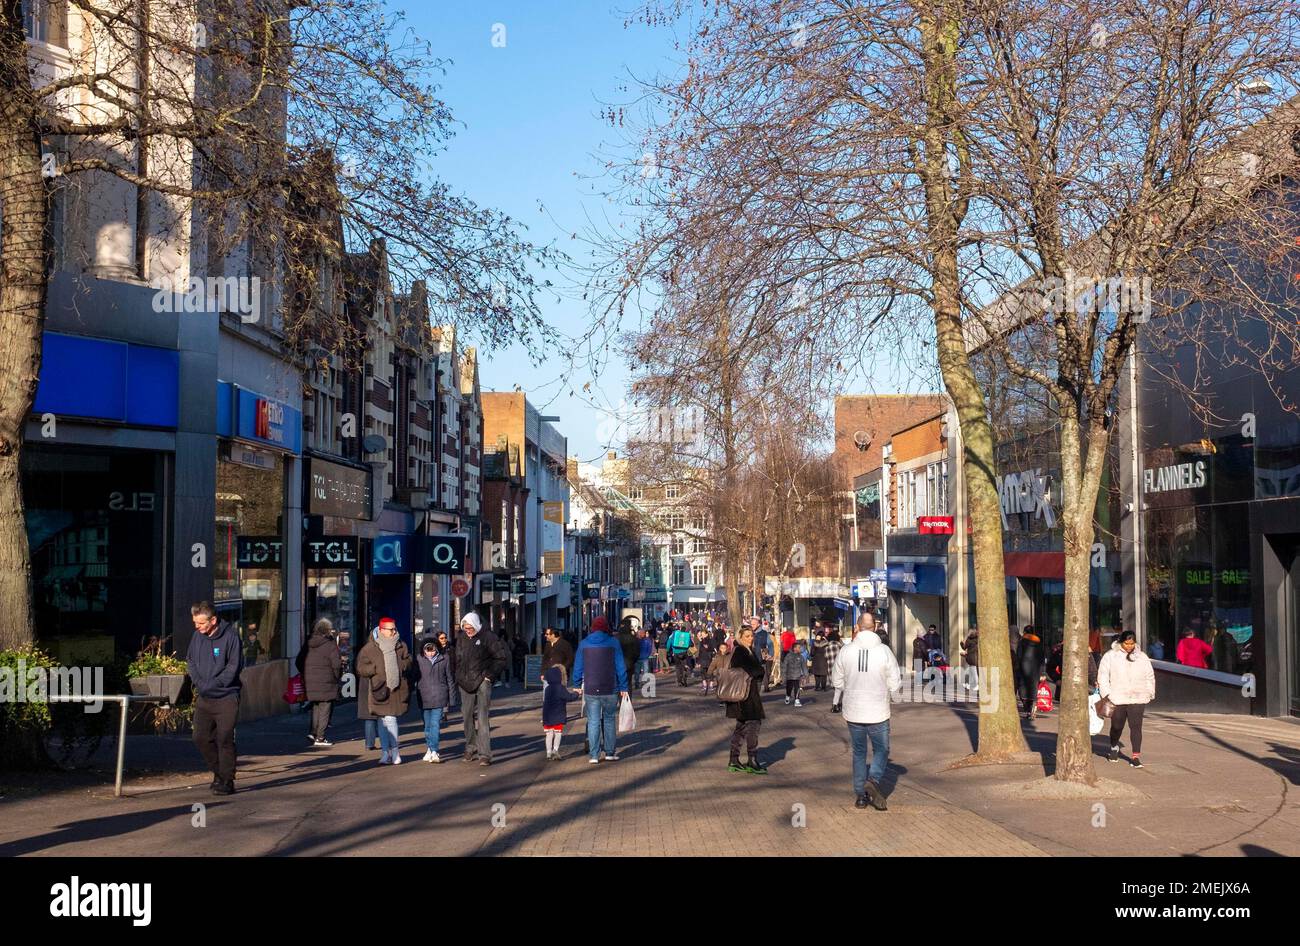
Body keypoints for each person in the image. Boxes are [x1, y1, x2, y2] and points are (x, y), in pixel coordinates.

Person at [832, 612, 902, 811]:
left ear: (857, 626)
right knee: (882, 749)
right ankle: (874, 778)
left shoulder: (846, 651)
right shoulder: (884, 651)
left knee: (859, 753)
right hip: (878, 710)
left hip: (853, 711)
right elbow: (895, 681)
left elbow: (836, 680)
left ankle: (860, 796)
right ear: (874, 627)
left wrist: (847, 689)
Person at [187, 601, 243, 795]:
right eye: (195, 622)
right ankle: (219, 772)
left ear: (213, 620)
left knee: (224, 738)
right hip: (204, 697)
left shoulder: (231, 637)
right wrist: (199, 683)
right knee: (200, 737)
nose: (197, 627)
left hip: (226, 697)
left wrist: (214, 684)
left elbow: (233, 667)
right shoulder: (197, 636)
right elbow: (191, 661)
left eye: (201, 623)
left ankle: (227, 780)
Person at [572, 616, 630, 763]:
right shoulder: (614, 643)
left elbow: (578, 666)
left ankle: (594, 755)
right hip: (611, 687)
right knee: (609, 720)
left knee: (593, 721)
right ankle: (609, 752)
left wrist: (577, 685)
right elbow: (620, 667)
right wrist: (624, 686)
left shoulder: (583, 644)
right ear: (606, 627)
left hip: (591, 688)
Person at [356, 617, 412, 766]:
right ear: (381, 630)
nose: (394, 631)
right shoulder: (369, 648)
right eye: (390, 629)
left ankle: (395, 751)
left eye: (394, 628)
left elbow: (408, 661)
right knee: (382, 721)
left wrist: (402, 665)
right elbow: (360, 668)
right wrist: (373, 670)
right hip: (379, 689)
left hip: (396, 688)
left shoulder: (401, 645)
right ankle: (385, 752)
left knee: (391, 719)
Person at [455, 611, 509, 765]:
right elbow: (457, 659)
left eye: (470, 627)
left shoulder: (488, 637)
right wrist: (458, 676)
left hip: (482, 681)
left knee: (483, 717)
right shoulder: (461, 638)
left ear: (476, 625)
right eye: (465, 628)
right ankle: (470, 747)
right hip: (465, 682)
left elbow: (500, 658)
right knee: (466, 716)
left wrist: (489, 676)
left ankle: (484, 753)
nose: (468, 630)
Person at [1098, 630, 1156, 767]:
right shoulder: (1110, 656)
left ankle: (1136, 757)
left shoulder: (1142, 657)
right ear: (1120, 642)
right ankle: (1113, 746)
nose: (1129, 646)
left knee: (1136, 727)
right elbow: (1103, 675)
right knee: (1117, 726)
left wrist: (1149, 692)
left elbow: (1149, 675)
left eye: (1132, 643)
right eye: (1126, 643)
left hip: (1138, 696)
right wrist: (1107, 694)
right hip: (1117, 696)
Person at [725, 623, 768, 775]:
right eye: (747, 636)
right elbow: (756, 670)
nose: (750, 639)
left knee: (741, 727)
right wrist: (761, 668)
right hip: (746, 696)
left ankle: (734, 759)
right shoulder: (742, 652)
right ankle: (752, 759)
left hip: (743, 696)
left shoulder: (744, 650)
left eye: (751, 636)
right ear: (740, 637)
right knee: (753, 726)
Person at [299, 618, 342, 747]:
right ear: (328, 631)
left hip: (311, 680)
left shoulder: (309, 643)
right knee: (325, 708)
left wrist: (306, 673)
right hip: (326, 680)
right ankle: (320, 737)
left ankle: (313, 732)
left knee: (316, 706)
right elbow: (336, 664)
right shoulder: (330, 644)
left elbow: (299, 660)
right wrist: (336, 677)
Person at [414, 634, 455, 763]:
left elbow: (450, 679)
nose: (430, 653)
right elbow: (413, 677)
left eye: (432, 650)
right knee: (427, 727)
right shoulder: (418, 659)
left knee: (435, 725)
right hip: (424, 697)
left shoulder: (445, 658)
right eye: (427, 650)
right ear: (423, 650)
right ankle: (430, 748)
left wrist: (452, 699)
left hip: (439, 697)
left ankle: (434, 751)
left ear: (437, 648)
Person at [542, 663, 581, 760]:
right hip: (558, 715)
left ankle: (548, 752)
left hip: (547, 716)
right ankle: (555, 750)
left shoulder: (547, 689)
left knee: (549, 734)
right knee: (558, 733)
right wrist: (577, 693)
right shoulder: (560, 688)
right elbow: (568, 697)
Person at [1016, 625, 1045, 719]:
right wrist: (1042, 672)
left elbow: (1019, 656)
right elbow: (1042, 659)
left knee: (1022, 690)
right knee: (1033, 689)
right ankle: (1033, 708)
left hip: (1024, 669)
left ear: (1025, 632)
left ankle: (1028, 710)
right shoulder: (1039, 643)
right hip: (1035, 670)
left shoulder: (1021, 642)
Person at [617, 616, 641, 688]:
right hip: (629, 664)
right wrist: (632, 661)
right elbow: (637, 653)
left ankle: (619, 698)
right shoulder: (633, 638)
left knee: (618, 684)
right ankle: (628, 698)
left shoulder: (616, 638)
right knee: (628, 684)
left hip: (618, 665)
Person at [782, 640, 808, 706]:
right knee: (789, 688)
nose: (800, 649)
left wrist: (806, 675)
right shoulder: (788, 656)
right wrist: (784, 676)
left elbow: (804, 667)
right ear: (794, 648)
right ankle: (787, 696)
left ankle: (797, 700)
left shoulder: (801, 657)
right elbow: (784, 666)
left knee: (797, 688)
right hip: (789, 676)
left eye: (800, 647)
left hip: (797, 676)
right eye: (799, 647)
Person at [668, 621, 694, 687]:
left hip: (676, 653)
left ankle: (679, 681)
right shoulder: (687, 635)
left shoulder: (674, 633)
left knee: (678, 667)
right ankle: (685, 677)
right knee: (685, 665)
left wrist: (668, 650)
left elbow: (669, 642)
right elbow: (691, 644)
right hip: (685, 653)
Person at [753, 620, 775, 692]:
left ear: (758, 624)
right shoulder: (750, 633)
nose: (752, 625)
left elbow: (770, 644)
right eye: (751, 624)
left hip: (760, 658)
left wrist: (770, 654)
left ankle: (759, 691)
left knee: (762, 675)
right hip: (751, 658)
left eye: (754, 624)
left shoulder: (764, 634)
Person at [826, 628, 844, 712]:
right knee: (842, 687)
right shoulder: (840, 646)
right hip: (840, 669)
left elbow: (826, 657)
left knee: (837, 688)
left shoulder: (827, 647)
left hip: (830, 669)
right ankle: (838, 704)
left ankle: (835, 704)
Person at [697, 630, 716, 694]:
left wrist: (708, 648)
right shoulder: (701, 641)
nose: (701, 635)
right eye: (701, 634)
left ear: (707, 634)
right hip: (702, 658)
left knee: (710, 671)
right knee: (702, 671)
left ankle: (711, 684)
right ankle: (704, 683)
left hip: (709, 658)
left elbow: (713, 649)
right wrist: (698, 661)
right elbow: (700, 651)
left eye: (703, 634)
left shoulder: (711, 640)